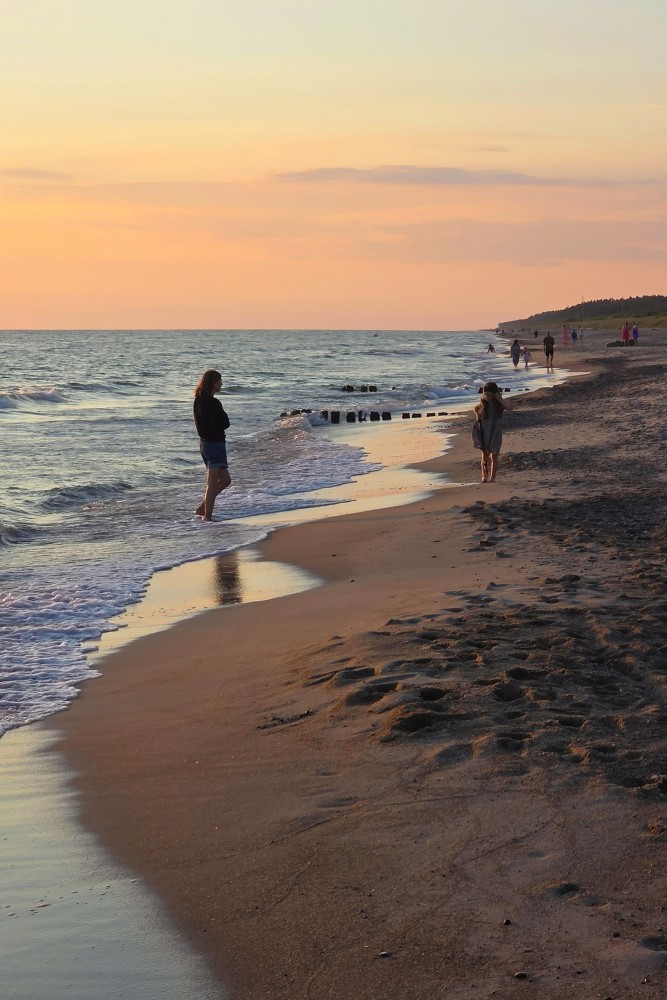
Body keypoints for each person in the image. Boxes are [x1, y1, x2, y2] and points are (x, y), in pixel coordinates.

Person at [193, 369, 231, 521]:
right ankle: (206, 517)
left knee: (226, 480)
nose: (221, 383)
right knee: (212, 482)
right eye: (220, 381)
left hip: (205, 444)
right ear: (214, 384)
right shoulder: (213, 403)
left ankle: (203, 507)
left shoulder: (198, 400)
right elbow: (225, 423)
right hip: (215, 445)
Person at [473, 381, 512, 483]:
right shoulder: (483, 403)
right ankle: (484, 476)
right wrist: (478, 417)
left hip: (495, 432)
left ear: (495, 394)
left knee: (494, 455)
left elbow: (510, 408)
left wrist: (499, 398)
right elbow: (476, 408)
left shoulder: (499, 404)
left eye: (490, 395)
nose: (487, 397)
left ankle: (493, 477)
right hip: (485, 432)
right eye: (486, 395)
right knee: (485, 455)